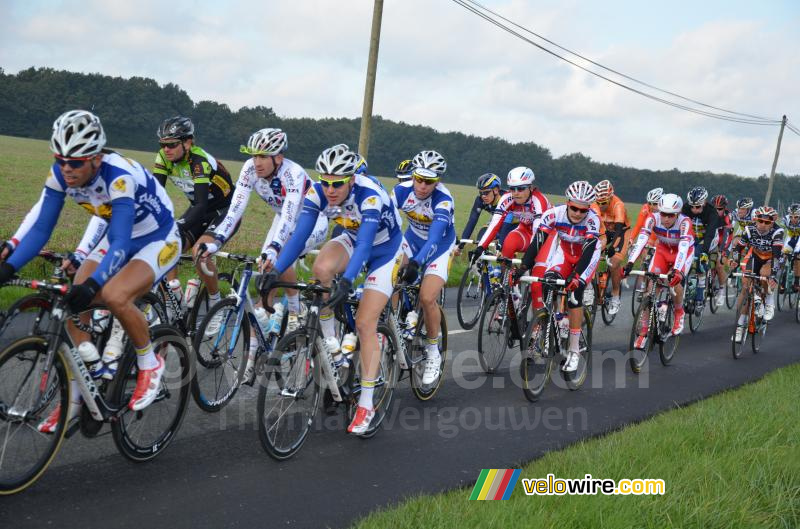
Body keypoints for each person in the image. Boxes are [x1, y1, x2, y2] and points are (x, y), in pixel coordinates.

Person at [0, 110, 180, 431]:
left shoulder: (118, 175)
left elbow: (122, 242)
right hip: (117, 235)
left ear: (96, 158)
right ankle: (77, 395)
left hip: (157, 236)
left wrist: (95, 282)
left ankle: (149, 363)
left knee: (114, 295)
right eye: (61, 160)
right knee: (71, 299)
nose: (67, 169)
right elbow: (41, 229)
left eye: (76, 163)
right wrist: (8, 266)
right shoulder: (60, 174)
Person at [259, 144, 403, 435]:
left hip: (385, 251)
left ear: (351, 179)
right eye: (325, 182)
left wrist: (349, 280)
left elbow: (365, 246)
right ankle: (330, 343)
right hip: (352, 237)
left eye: (337, 183)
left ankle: (365, 404)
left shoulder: (370, 195)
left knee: (365, 323)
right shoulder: (317, 192)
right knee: (321, 270)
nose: (330, 189)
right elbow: (299, 237)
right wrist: (274, 270)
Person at [199, 128, 328, 381]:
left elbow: (292, 215)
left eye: (263, 156)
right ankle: (251, 360)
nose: (256, 162)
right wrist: (216, 241)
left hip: (310, 221)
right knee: (264, 290)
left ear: (278, 158)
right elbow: (235, 208)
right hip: (282, 220)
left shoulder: (294, 174)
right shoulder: (249, 169)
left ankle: (295, 311)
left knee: (279, 257)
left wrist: (275, 247)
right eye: (254, 155)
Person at [153, 116, 234, 320]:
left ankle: (215, 304)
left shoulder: (199, 162)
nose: (166, 149)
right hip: (200, 209)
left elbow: (200, 204)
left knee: (200, 253)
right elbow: (155, 196)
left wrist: (176, 226)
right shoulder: (163, 158)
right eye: (162, 145)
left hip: (223, 211)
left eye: (171, 144)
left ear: (188, 142)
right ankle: (174, 297)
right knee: (167, 246)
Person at [516, 181, 601, 372]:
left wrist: (576, 276)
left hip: (586, 256)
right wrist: (522, 267)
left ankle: (574, 350)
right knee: (548, 283)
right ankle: (554, 321)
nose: (578, 213)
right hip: (564, 253)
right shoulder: (554, 214)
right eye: (574, 208)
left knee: (574, 295)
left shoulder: (593, 220)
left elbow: (588, 251)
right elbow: (538, 242)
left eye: (583, 210)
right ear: (567, 202)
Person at [392, 165, 456, 384]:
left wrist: (417, 263)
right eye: (418, 179)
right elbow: (386, 222)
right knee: (389, 279)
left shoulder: (443, 199)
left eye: (428, 182)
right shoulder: (401, 191)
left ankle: (432, 350)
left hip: (440, 246)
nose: (422, 186)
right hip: (412, 238)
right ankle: (389, 328)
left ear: (437, 182)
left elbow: (435, 238)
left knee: (427, 297)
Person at [623, 193, 694, 344]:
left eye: (671, 215)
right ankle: (644, 329)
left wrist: (677, 270)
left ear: (678, 214)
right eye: (663, 214)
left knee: (675, 281)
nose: (666, 218)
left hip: (682, 253)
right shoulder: (653, 218)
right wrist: (630, 263)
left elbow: (683, 248)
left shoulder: (684, 223)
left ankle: (679, 311)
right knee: (651, 286)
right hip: (662, 251)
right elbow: (642, 239)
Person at [472, 166, 551, 265]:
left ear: (530, 188)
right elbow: (494, 224)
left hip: (545, 237)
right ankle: (506, 278)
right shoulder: (507, 198)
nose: (516, 193)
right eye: (512, 189)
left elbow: (537, 232)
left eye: (521, 189)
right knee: (509, 243)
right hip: (525, 230)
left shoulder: (539, 201)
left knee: (536, 272)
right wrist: (480, 247)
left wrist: (528, 259)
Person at [731, 206, 783, 336]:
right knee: (745, 285)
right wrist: (735, 261)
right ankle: (740, 325)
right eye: (760, 221)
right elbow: (739, 248)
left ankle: (769, 300)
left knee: (765, 274)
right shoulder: (749, 229)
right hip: (755, 256)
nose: (763, 224)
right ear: (756, 219)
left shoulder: (777, 232)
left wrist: (773, 275)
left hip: (771, 258)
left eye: (767, 222)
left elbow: (776, 256)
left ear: (772, 222)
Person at [593, 179, 629, 315]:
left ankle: (615, 296)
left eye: (604, 203)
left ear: (610, 197)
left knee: (614, 262)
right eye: (598, 203)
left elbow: (619, 229)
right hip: (606, 231)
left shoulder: (617, 205)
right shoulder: (595, 204)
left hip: (621, 232)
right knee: (591, 251)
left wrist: (612, 247)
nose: (601, 206)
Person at [453, 173, 512, 256]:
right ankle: (483, 263)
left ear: (496, 190)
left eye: (486, 192)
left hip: (513, 224)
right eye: (481, 193)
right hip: (497, 223)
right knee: (482, 236)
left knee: (504, 254)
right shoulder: (480, 200)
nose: (483, 196)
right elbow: (472, 221)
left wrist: (500, 242)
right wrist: (460, 246)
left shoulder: (507, 199)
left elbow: (506, 225)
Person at [710, 194, 733, 305]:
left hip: (726, 239)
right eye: (714, 208)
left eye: (719, 209)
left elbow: (725, 236)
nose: (716, 211)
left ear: (724, 209)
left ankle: (722, 290)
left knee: (719, 263)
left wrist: (721, 251)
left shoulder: (727, 217)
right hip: (713, 239)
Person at [779, 203, 800, 292]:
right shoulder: (786, 219)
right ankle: (782, 281)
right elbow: (779, 228)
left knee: (797, 257)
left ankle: (796, 282)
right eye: (791, 216)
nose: (793, 219)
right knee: (783, 255)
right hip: (791, 238)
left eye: (796, 217)